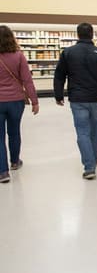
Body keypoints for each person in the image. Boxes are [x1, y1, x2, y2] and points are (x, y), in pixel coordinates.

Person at [54, 23, 97, 180]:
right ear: (91, 34)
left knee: (82, 131)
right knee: (95, 130)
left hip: (78, 99)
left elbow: (59, 75)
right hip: (96, 99)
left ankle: (89, 167)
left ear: (78, 34)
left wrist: (58, 95)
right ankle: (94, 157)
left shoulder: (68, 53)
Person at [0, 25, 39, 183]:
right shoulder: (19, 56)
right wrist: (34, 101)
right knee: (14, 132)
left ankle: (3, 172)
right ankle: (15, 162)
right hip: (16, 101)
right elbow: (27, 80)